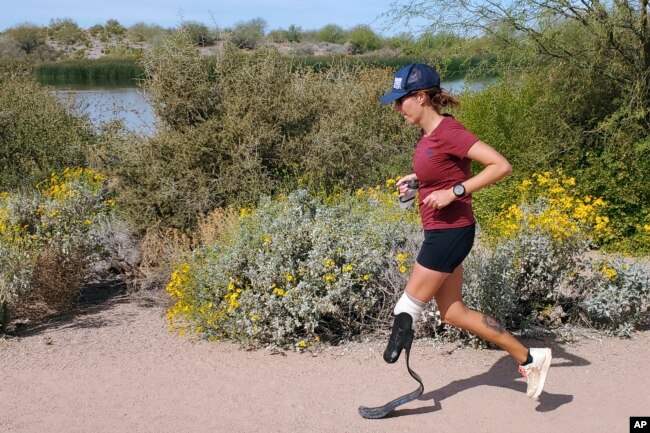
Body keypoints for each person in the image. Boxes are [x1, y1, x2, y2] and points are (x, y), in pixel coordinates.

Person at [379, 63, 552, 400]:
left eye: (402, 101)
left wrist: (455, 192)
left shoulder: (449, 132)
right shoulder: (428, 136)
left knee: (408, 307)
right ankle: (531, 358)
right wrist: (417, 183)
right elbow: (441, 172)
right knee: (453, 312)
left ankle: (399, 372)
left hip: (451, 232)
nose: (398, 108)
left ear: (421, 97)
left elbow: (500, 165)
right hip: (442, 231)